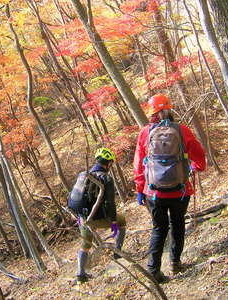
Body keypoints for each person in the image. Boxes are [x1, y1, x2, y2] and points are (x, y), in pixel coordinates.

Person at [133, 94, 206, 283]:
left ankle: (153, 270)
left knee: (159, 228)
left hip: (154, 191)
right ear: (168, 109)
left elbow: (139, 164)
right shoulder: (181, 130)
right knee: (178, 224)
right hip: (180, 190)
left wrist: (140, 188)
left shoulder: (144, 133)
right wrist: (196, 167)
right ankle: (175, 262)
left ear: (152, 113)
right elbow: (199, 154)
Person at [75, 148, 126, 284]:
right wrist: (114, 221)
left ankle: (80, 274)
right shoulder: (106, 178)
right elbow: (110, 203)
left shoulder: (84, 175)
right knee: (122, 221)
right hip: (97, 218)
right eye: (111, 163)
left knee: (85, 245)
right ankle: (118, 253)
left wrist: (79, 217)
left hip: (83, 217)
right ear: (108, 163)